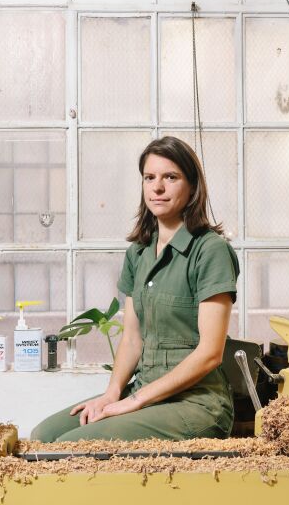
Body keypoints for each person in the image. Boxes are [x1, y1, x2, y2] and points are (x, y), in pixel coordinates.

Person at [31, 136, 240, 442]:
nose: (157, 187)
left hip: (197, 402)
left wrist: (133, 402)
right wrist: (111, 394)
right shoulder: (139, 252)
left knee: (72, 445)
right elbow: (132, 338)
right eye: (149, 178)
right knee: (43, 436)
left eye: (171, 177)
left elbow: (210, 354)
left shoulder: (210, 250)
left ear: (192, 186)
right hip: (144, 391)